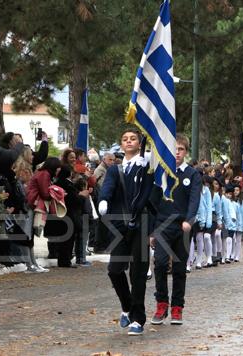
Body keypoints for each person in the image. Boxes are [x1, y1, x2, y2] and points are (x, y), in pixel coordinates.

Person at [99, 128, 155, 336]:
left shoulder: (147, 167)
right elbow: (108, 187)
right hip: (120, 227)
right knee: (114, 270)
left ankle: (138, 319)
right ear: (121, 145)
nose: (129, 141)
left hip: (140, 225)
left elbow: (147, 194)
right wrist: (103, 200)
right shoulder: (115, 169)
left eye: (133, 138)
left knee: (138, 274)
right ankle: (127, 305)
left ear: (139, 143)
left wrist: (146, 168)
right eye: (125, 139)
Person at [150, 134, 201, 326]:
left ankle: (177, 307)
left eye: (180, 149)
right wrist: (152, 230)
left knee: (179, 268)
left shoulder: (192, 174)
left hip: (183, 227)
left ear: (185, 152)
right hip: (163, 225)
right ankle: (161, 303)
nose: (176, 153)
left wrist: (189, 220)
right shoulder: (161, 173)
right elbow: (153, 202)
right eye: (173, 149)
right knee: (161, 264)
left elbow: (194, 199)